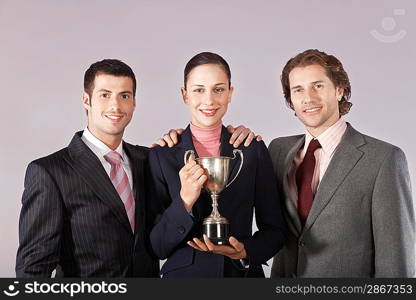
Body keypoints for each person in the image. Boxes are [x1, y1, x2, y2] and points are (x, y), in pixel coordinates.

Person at [269, 49, 415, 277]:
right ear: (291, 99)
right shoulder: (278, 151)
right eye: (298, 90)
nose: (308, 98)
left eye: (318, 86)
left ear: (339, 90)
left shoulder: (383, 159)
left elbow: (396, 262)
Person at [16, 59, 160, 277]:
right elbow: (33, 269)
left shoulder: (148, 160)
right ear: (86, 100)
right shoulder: (49, 173)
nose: (116, 105)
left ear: (134, 103)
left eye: (125, 96)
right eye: (105, 94)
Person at [148, 52, 287, 278]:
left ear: (230, 93)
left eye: (219, 89)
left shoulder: (252, 150)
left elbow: (276, 231)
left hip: (241, 277)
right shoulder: (162, 155)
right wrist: (184, 200)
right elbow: (157, 246)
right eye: (198, 90)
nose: (210, 100)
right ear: (185, 95)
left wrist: (245, 252)